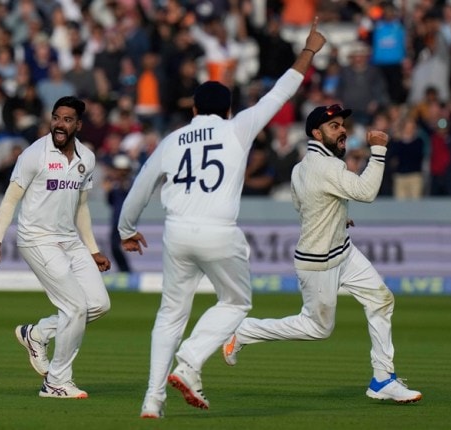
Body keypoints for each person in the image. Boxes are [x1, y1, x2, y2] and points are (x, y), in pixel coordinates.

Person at [117, 18, 327, 419]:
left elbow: (140, 187)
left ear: (194, 109)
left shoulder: (172, 139)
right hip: (218, 232)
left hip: (177, 232)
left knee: (170, 314)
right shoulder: (237, 128)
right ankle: (190, 361)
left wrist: (127, 230)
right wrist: (309, 50)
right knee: (235, 301)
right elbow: (281, 91)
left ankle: (152, 400)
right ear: (228, 109)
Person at [223, 104, 423, 404]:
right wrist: (379, 151)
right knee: (317, 328)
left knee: (381, 299)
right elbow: (366, 192)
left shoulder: (301, 168)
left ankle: (383, 379)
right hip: (319, 261)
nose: (342, 131)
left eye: (342, 125)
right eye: (334, 127)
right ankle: (244, 331)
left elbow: (303, 204)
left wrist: (336, 217)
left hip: (343, 249)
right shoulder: (328, 167)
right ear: (317, 134)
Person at [0, 96, 111, 399]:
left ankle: (37, 333)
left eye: (67, 120)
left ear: (78, 125)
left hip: (70, 240)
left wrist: (93, 249)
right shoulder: (34, 154)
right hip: (37, 239)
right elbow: (10, 200)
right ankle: (56, 381)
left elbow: (81, 207)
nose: (59, 124)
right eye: (56, 118)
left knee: (98, 304)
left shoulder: (87, 158)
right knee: (74, 307)